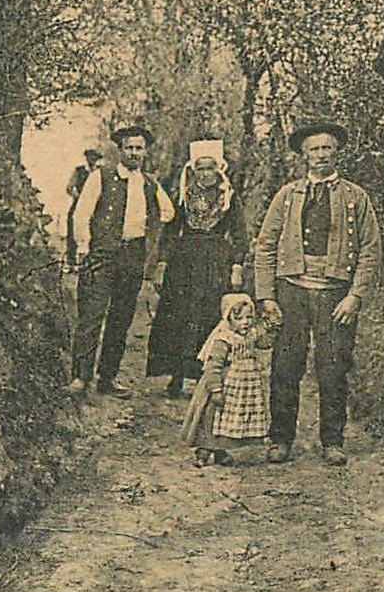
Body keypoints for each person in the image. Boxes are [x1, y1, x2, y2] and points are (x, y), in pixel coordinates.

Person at [253, 120, 382, 466]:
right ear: (304, 155)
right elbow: (265, 246)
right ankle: (280, 438)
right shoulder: (287, 196)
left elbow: (371, 249)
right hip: (292, 291)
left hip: (335, 295)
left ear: (337, 153)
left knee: (333, 368)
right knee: (285, 366)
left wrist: (355, 296)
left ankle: (332, 441)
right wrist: (266, 297)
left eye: (327, 148)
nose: (321, 155)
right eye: (314, 149)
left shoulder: (355, 197)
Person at [68, 122, 175, 397]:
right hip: (101, 255)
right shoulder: (101, 176)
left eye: (139, 148)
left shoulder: (149, 183)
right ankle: (80, 377)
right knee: (92, 315)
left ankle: (107, 378)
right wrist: (84, 246)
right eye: (129, 148)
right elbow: (81, 213)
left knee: (121, 318)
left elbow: (169, 212)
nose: (134, 153)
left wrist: (149, 231)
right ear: (120, 150)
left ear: (145, 151)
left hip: (132, 256)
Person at [146, 140, 248, 398]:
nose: (205, 173)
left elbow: (240, 234)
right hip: (184, 261)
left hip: (215, 262)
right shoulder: (184, 194)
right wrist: (162, 263)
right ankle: (176, 377)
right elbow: (170, 232)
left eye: (210, 168)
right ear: (193, 170)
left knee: (207, 317)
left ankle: (206, 379)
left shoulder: (228, 197)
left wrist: (236, 265)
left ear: (218, 169)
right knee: (179, 316)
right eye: (200, 168)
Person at [180, 293, 272, 467]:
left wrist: (271, 325)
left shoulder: (251, 335)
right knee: (213, 418)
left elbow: (266, 342)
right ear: (228, 318)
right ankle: (203, 452)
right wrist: (216, 389)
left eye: (249, 317)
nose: (245, 322)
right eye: (239, 318)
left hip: (244, 387)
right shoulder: (223, 339)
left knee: (229, 421)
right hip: (225, 384)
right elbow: (213, 367)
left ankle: (220, 451)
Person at [64, 148, 102, 269]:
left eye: (94, 157)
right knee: (72, 230)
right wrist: (80, 197)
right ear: (86, 158)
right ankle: (71, 262)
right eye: (90, 157)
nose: (92, 160)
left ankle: (90, 262)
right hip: (78, 204)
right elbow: (69, 188)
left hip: (96, 205)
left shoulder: (100, 172)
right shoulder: (79, 171)